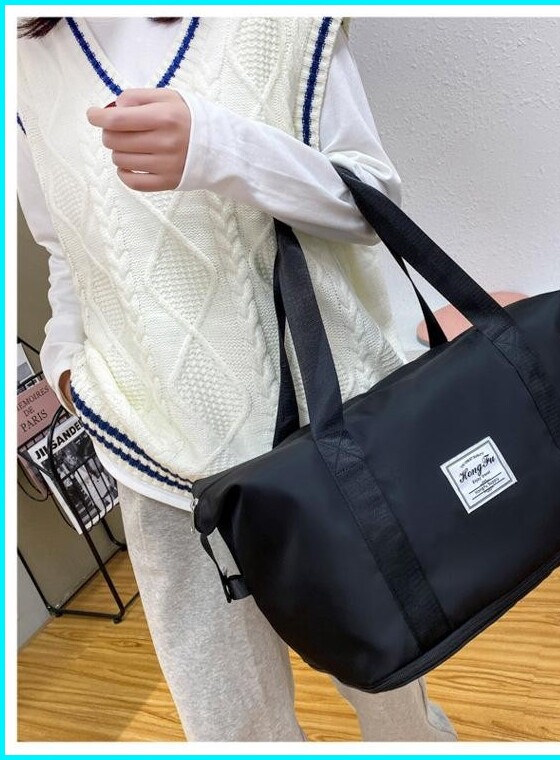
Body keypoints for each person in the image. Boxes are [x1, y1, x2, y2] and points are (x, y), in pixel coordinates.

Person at [17, 16, 457, 742]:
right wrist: (68, 366)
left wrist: (218, 148)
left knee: (393, 696)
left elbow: (373, 198)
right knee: (232, 730)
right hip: (150, 453)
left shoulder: (278, 18)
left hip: (321, 434)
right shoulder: (22, 60)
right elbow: (64, 251)